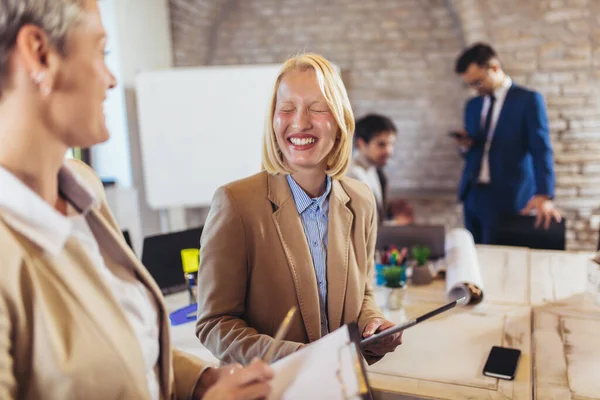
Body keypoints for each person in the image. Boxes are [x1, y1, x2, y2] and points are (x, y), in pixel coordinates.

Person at [0, 1, 272, 399]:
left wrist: (201, 381)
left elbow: (124, 348)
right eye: (101, 51)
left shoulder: (82, 187)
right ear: (39, 53)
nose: (111, 79)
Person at [196, 53, 402, 366]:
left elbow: (365, 293)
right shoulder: (235, 203)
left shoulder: (360, 199)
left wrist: (374, 325)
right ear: (273, 120)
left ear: (340, 120)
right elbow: (215, 324)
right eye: (287, 109)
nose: (300, 122)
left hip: (346, 383)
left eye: (317, 108)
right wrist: (298, 358)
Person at [452, 43, 561, 244]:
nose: (475, 89)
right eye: (470, 85)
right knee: (473, 258)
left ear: (494, 68)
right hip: (473, 194)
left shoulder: (528, 100)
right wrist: (465, 145)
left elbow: (541, 148)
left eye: (478, 82)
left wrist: (544, 194)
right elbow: (475, 151)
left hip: (508, 195)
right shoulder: (473, 105)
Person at [346, 113, 414, 225]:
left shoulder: (372, 170)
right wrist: (397, 224)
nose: (389, 151)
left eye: (391, 144)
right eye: (381, 144)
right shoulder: (352, 176)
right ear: (361, 143)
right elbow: (360, 229)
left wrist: (389, 209)